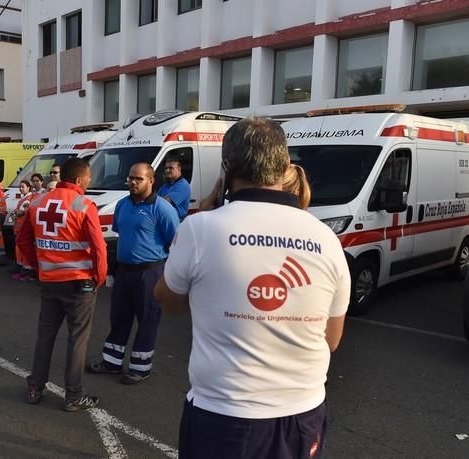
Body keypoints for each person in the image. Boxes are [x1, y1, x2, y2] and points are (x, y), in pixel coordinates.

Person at [154, 118, 350, 458]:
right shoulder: (326, 238)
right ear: (286, 166)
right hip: (302, 415)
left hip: (224, 415)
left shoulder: (200, 229)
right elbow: (331, 340)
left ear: (227, 168)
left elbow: (168, 301)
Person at [17, 158, 107, 412]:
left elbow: (23, 241)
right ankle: (74, 395)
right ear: (79, 180)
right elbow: (99, 249)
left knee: (45, 335)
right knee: (77, 339)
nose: (90, 182)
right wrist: (99, 278)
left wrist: (39, 266)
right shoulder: (84, 205)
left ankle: (35, 387)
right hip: (79, 283)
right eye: (89, 178)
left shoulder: (37, 203)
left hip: (49, 282)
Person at [87, 163, 179, 384]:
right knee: (119, 317)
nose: (133, 182)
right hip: (124, 272)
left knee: (147, 319)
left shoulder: (162, 209)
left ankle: (140, 367)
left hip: (150, 273)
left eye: (138, 179)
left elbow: (175, 241)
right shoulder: (122, 205)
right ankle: (112, 362)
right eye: (130, 178)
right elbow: (121, 234)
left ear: (151, 181)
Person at [8, 180, 34, 281]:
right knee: (19, 249)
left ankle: (25, 271)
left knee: (21, 250)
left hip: (22, 228)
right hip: (20, 227)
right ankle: (22, 269)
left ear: (28, 188)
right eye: (20, 187)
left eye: (23, 187)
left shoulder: (27, 200)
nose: (21, 188)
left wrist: (14, 214)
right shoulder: (25, 199)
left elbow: (20, 212)